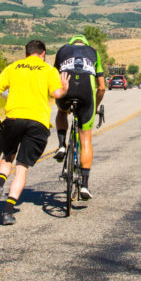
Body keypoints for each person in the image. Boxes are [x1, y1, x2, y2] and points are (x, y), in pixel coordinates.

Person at [0, 40, 70, 225]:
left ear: (26, 53)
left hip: (13, 119)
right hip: (38, 123)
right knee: (21, 168)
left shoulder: (13, 67)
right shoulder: (49, 70)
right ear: (43, 53)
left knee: (7, 157)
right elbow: (58, 94)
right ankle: (7, 212)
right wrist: (65, 88)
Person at [53, 35, 106, 200]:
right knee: (85, 140)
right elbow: (102, 88)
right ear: (86, 44)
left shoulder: (62, 50)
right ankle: (84, 185)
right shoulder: (93, 52)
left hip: (66, 88)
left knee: (62, 111)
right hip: (86, 94)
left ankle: (62, 145)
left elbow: (54, 78)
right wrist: (94, 107)